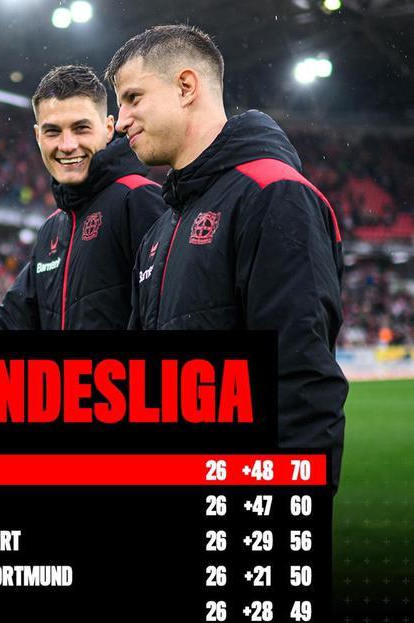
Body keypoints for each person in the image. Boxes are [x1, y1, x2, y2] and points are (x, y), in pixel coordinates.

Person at [105, 25, 348, 490]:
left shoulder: (273, 194)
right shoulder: (160, 229)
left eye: (133, 98)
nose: (121, 121)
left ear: (185, 86)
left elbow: (300, 383)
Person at [0, 65, 165, 330]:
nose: (67, 145)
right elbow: (12, 321)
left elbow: (170, 311)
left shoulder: (139, 198)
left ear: (108, 128)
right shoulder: (52, 228)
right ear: (38, 136)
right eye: (52, 131)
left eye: (81, 128)